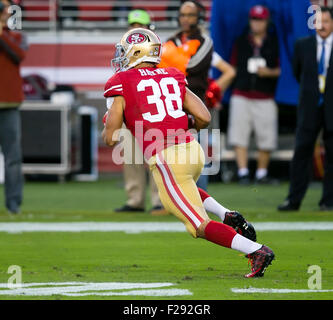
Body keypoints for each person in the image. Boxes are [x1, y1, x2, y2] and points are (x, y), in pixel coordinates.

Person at [102, 27, 275, 277]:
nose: (121, 57)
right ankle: (226, 214)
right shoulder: (172, 75)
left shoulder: (120, 82)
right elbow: (204, 117)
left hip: (167, 158)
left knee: (197, 226)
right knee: (186, 187)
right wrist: (183, 124)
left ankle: (256, 250)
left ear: (136, 52)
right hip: (192, 151)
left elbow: (110, 138)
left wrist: (114, 119)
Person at [159, 1, 235, 190]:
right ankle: (176, 198)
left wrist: (172, 61)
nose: (185, 19)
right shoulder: (171, 40)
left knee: (196, 155)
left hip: (194, 103)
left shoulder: (204, 42)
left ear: (198, 18)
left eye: (190, 15)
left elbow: (192, 67)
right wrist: (176, 62)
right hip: (171, 105)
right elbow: (159, 70)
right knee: (171, 154)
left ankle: (200, 198)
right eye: (183, 15)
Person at [112, 8, 167, 215]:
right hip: (130, 109)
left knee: (156, 158)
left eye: (139, 26)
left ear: (149, 28)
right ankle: (135, 199)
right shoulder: (122, 50)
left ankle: (159, 200)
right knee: (131, 156)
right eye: (132, 26)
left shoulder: (157, 49)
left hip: (152, 110)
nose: (135, 30)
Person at [278, 7, 333, 211]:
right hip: (309, 108)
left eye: (326, 21)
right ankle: (294, 200)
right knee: (301, 153)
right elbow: (297, 72)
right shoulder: (303, 45)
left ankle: (328, 201)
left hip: (331, 109)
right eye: (318, 22)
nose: (322, 26)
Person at [227, 5, 280, 184]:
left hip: (265, 94)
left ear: (267, 21)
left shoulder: (274, 41)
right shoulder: (241, 40)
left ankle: (261, 173)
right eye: (254, 19)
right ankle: (243, 172)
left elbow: (281, 70)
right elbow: (232, 67)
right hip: (242, 93)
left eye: (260, 19)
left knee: (266, 136)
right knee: (239, 134)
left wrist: (268, 72)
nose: (256, 23)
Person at [0, 0, 27, 214]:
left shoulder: (15, 35)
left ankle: (13, 204)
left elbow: (18, 54)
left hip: (8, 103)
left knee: (13, 156)